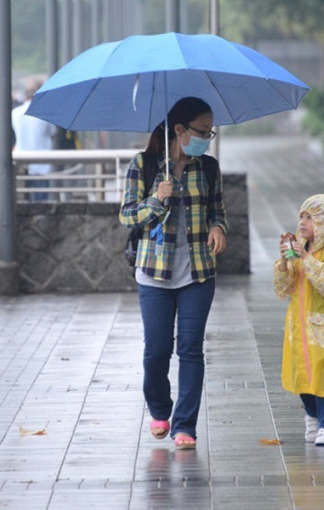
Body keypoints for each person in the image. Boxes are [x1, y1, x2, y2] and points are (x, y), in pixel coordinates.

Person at [119, 97, 228, 450]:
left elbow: (218, 211)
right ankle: (160, 410)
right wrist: (156, 199)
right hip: (154, 273)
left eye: (211, 131)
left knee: (191, 349)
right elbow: (126, 216)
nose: (207, 137)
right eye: (202, 130)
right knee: (157, 351)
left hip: (198, 271)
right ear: (179, 130)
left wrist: (218, 228)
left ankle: (185, 425)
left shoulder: (208, 168)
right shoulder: (144, 165)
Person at [273, 194, 324, 446]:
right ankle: (311, 416)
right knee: (302, 376)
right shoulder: (299, 253)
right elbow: (283, 288)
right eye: (301, 217)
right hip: (299, 328)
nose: (303, 223)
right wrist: (286, 264)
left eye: (310, 218)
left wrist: (306, 260)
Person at [11, 81, 56, 201]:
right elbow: (53, 132)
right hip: (42, 162)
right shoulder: (45, 113)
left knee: (23, 197)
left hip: (21, 158)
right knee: (41, 200)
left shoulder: (15, 113)